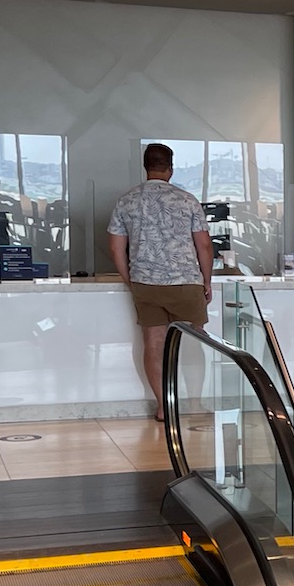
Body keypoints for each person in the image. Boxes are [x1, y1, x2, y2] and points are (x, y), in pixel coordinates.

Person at [108, 143, 214, 421]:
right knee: (193, 341)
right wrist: (207, 281)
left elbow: (116, 248)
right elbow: (204, 245)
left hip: (146, 283)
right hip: (186, 282)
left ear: (146, 167)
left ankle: (164, 407)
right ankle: (194, 404)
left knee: (153, 343)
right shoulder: (186, 199)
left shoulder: (127, 201)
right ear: (170, 167)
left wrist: (130, 280)